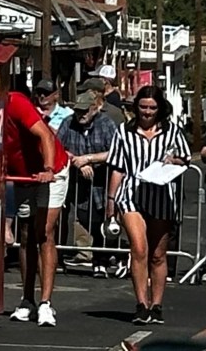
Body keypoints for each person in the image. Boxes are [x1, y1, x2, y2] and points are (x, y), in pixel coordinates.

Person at [105, 85, 189, 326]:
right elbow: (117, 168)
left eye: (152, 108)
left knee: (158, 254)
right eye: (143, 107)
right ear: (136, 107)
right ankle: (141, 303)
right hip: (131, 194)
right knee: (139, 249)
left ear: (160, 108)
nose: (147, 112)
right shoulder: (124, 132)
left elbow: (184, 158)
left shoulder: (171, 131)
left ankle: (157, 304)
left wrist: (173, 160)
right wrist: (111, 201)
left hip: (162, 194)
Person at [5, 86, 69, 327]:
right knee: (25, 233)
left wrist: (49, 170)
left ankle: (45, 302)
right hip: (22, 174)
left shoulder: (16, 102)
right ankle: (27, 299)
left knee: (44, 232)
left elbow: (44, 134)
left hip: (51, 168)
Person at [56, 89, 118, 278]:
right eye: (78, 111)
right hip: (76, 181)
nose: (80, 115)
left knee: (101, 220)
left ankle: (101, 261)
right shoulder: (68, 123)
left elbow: (115, 151)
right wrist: (77, 161)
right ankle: (60, 258)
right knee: (81, 218)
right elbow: (57, 147)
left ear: (94, 109)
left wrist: (89, 159)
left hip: (101, 181)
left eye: (85, 111)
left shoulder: (106, 124)